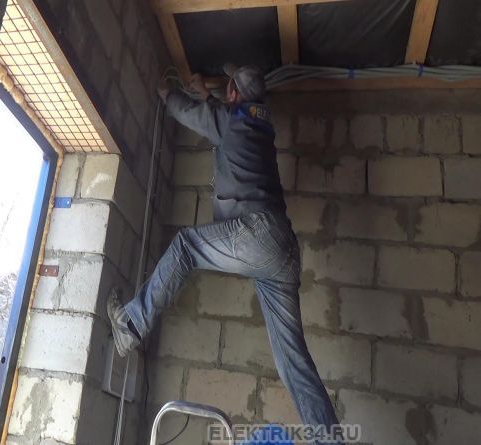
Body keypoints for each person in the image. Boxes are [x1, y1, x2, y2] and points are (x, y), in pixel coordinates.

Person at [107, 64, 344, 444]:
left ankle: (131, 325)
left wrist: (166, 90)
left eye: (228, 88)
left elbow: (188, 112)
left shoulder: (233, 122)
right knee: (293, 361)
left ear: (233, 93)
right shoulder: (257, 125)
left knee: (186, 245)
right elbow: (220, 115)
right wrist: (208, 94)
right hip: (283, 250)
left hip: (259, 235)